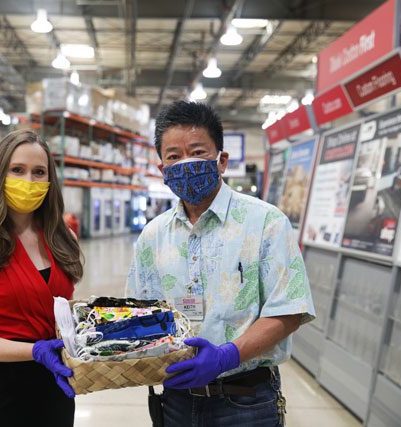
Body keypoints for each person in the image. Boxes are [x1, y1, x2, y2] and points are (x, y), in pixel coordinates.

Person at [126, 101, 315, 426]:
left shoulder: (265, 222)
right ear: (162, 170)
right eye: (173, 156)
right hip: (176, 400)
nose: (185, 163)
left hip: (246, 401)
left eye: (197, 152)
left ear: (221, 160)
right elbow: (139, 314)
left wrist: (228, 355)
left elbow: (289, 311)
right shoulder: (153, 236)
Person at [0, 129, 83, 426]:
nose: (28, 181)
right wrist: (34, 351)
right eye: (17, 170)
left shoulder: (64, 239)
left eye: (39, 172)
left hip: (55, 390)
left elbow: (64, 318)